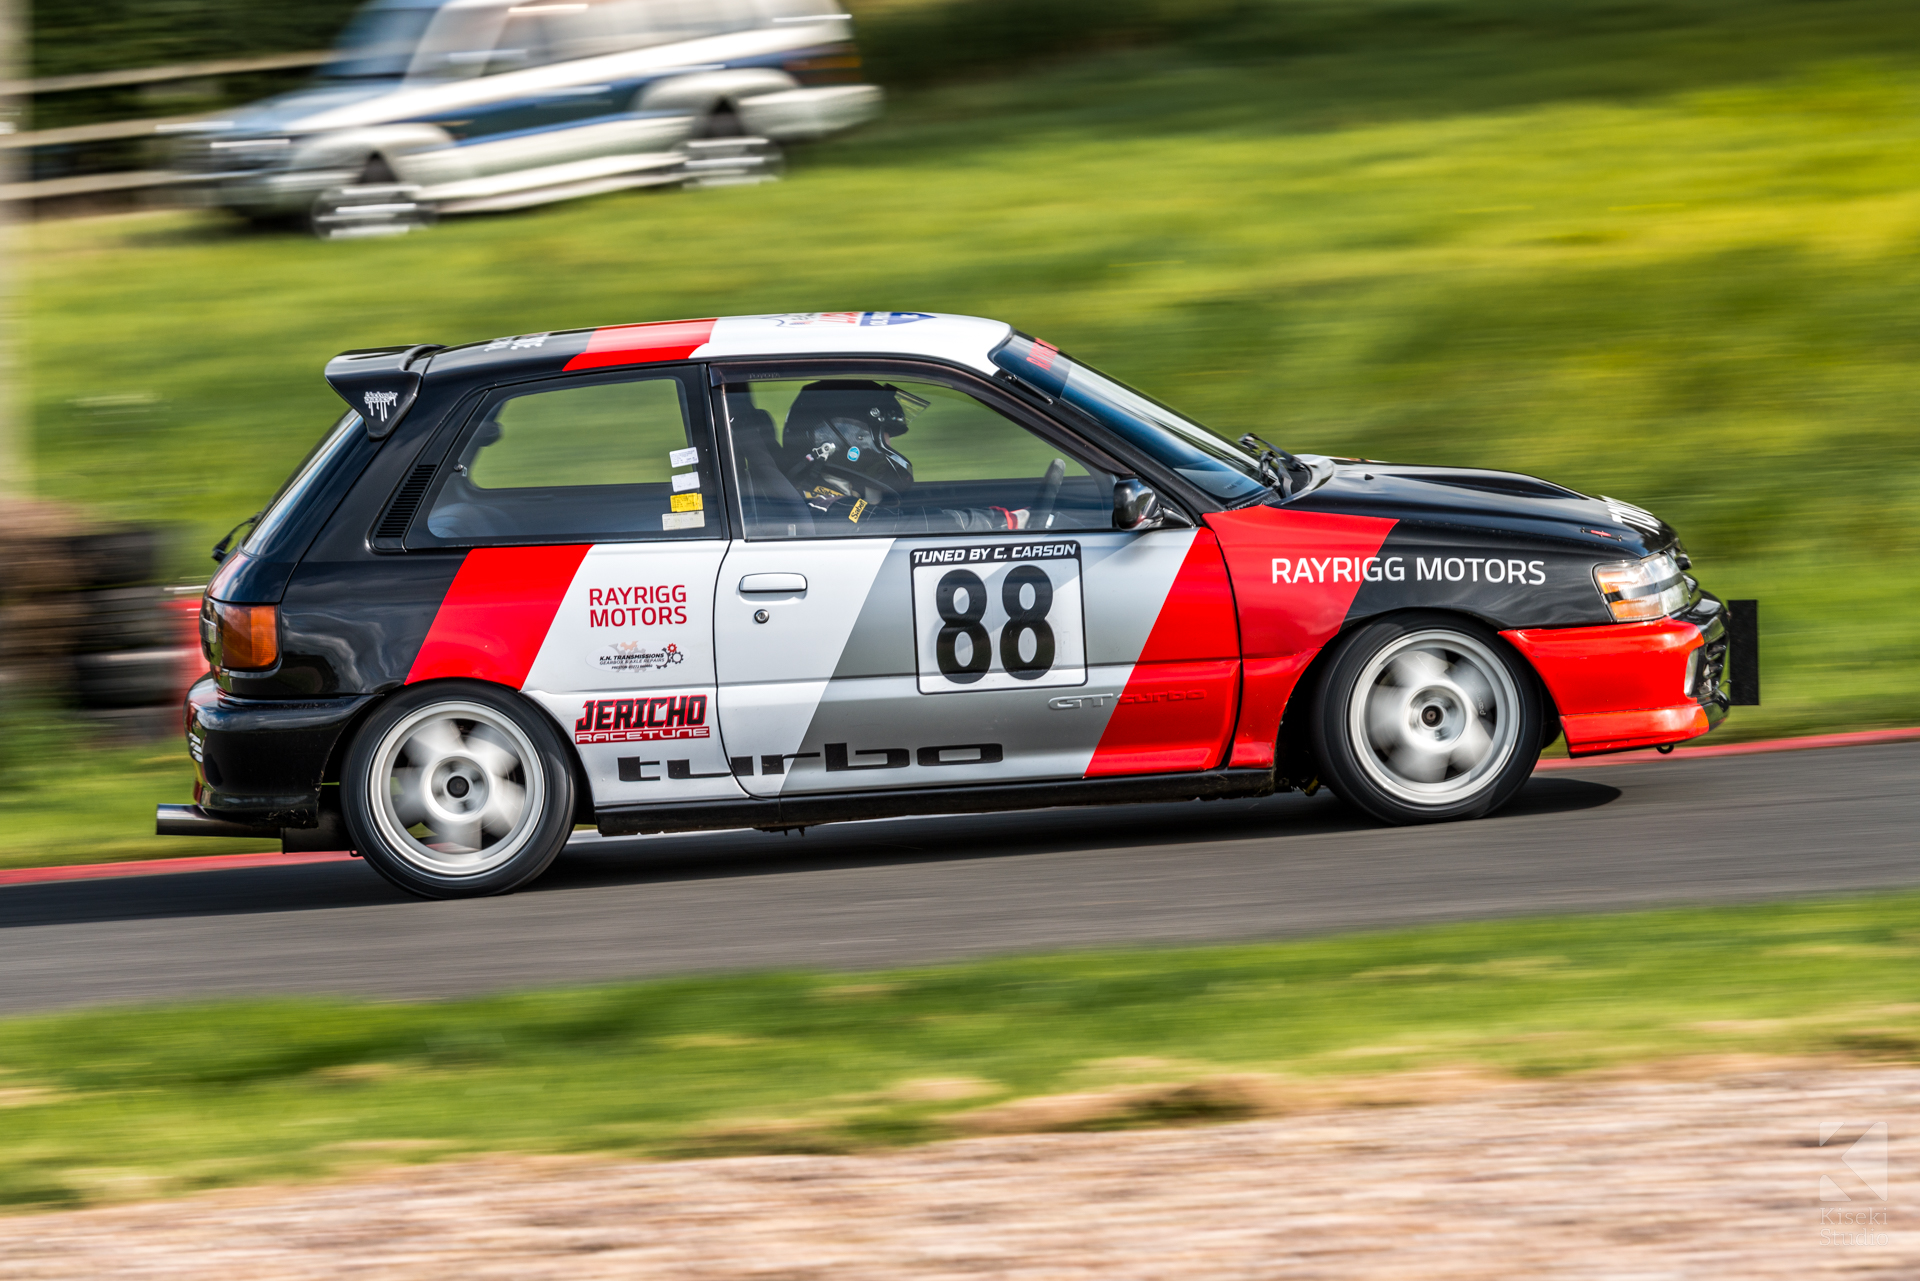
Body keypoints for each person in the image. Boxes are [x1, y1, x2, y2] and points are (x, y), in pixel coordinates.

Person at [779, 381, 1035, 532]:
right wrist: (1008, 521)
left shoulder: (830, 495)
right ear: (849, 440)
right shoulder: (827, 506)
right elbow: (909, 526)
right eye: (884, 436)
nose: (889, 446)